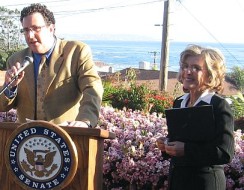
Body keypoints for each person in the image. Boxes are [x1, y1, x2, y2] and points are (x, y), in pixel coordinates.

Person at [0, 3, 103, 128]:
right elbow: (3, 106)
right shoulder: (16, 60)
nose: (30, 36)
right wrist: (10, 88)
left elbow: (92, 89)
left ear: (51, 28)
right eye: (26, 30)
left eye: (36, 28)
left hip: (66, 138)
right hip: (26, 140)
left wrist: (85, 121)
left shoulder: (76, 52)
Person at [156, 44, 234, 190]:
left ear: (210, 74)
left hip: (205, 183)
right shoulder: (179, 102)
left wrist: (186, 149)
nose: (188, 71)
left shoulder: (219, 105)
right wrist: (166, 144)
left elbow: (225, 153)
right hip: (178, 181)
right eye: (185, 66)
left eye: (196, 68)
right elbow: (180, 140)